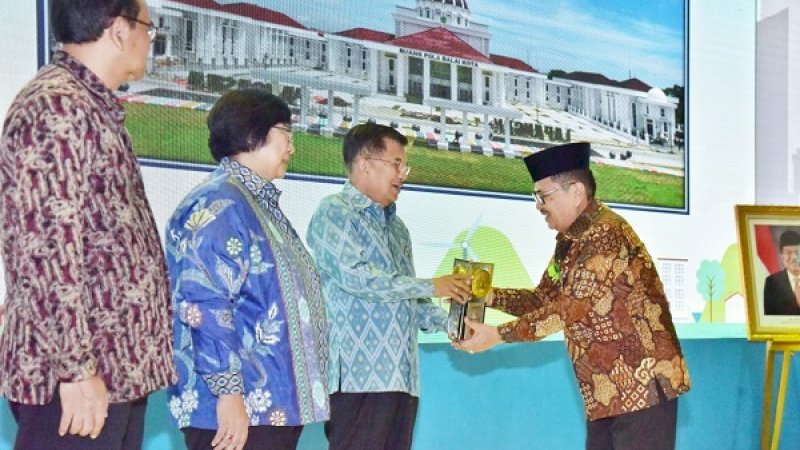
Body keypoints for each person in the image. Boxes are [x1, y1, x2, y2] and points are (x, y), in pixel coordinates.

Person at [0, 1, 176, 449]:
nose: (148, 44)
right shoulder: (57, 106)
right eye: (149, 32)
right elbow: (44, 251)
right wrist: (76, 370)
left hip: (110, 372)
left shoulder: (90, 106)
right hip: (79, 380)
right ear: (119, 29)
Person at [453, 142, 691, 450]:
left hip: (642, 386)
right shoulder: (571, 239)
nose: (538, 205)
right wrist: (482, 294)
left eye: (544, 196)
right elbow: (544, 300)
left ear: (576, 192)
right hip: (608, 395)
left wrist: (498, 335)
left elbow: (569, 309)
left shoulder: (604, 233)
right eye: (536, 197)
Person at [165, 89, 329, 450]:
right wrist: (228, 394)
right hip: (238, 411)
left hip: (269, 405)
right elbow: (203, 303)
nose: (292, 147)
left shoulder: (253, 201)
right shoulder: (220, 203)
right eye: (286, 132)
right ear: (254, 134)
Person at [306, 123, 472, 450]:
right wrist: (432, 285)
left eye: (404, 166)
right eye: (396, 164)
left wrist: (456, 324)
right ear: (365, 164)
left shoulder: (398, 229)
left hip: (403, 379)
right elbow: (357, 277)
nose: (403, 174)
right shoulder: (334, 212)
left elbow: (411, 299)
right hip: (358, 377)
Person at [763, 230, 800, 315]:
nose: (794, 257)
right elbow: (769, 318)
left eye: (798, 252)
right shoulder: (771, 283)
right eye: (788, 253)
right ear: (781, 255)